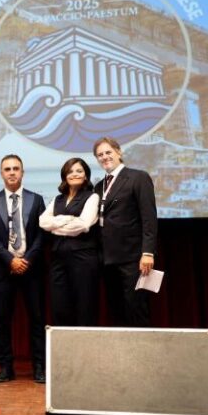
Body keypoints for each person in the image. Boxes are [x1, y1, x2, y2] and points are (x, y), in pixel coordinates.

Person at [0, 155, 46, 383]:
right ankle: (6, 368)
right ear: (1, 173)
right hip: (2, 270)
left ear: (22, 172)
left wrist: (26, 259)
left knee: (37, 320)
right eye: (7, 169)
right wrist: (10, 260)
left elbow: (41, 234)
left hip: (31, 269)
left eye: (15, 168)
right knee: (1, 321)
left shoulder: (36, 200)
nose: (11, 172)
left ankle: (39, 368)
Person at [93, 137, 157, 327]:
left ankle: (143, 347)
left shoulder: (138, 177)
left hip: (133, 258)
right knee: (116, 310)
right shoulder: (99, 186)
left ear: (118, 152)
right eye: (100, 155)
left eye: (108, 152)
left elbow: (149, 218)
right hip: (107, 259)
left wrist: (148, 252)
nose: (105, 157)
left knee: (136, 309)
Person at [39, 158, 100, 327]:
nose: (75, 174)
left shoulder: (92, 197)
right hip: (58, 258)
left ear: (86, 176)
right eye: (70, 171)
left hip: (83, 258)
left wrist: (55, 225)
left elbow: (82, 225)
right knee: (59, 307)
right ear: (65, 176)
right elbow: (43, 222)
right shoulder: (58, 199)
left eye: (79, 171)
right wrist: (68, 219)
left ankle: (85, 344)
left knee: (84, 307)